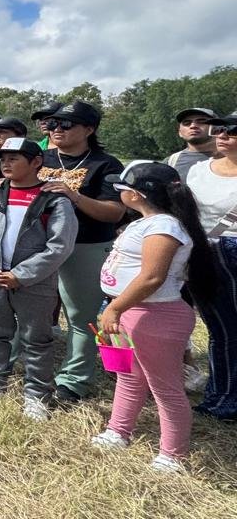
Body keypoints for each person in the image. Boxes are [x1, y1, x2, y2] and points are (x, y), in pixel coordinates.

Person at [91, 162, 217, 473]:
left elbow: (152, 278)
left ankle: (172, 454)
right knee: (130, 378)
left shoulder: (164, 227)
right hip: (128, 312)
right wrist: (116, 308)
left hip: (153, 316)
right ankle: (118, 431)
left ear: (135, 194)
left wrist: (116, 307)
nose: (118, 192)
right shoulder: (146, 222)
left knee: (165, 387)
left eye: (121, 188)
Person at [0, 137, 77, 422]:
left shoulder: (53, 199)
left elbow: (60, 245)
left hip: (34, 282)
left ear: (36, 162)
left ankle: (37, 395)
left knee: (36, 338)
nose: (6, 163)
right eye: (3, 158)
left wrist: (22, 274)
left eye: (14, 158)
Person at [36, 101, 127, 404]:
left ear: (89, 129)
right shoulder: (41, 157)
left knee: (80, 316)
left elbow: (114, 212)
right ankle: (25, 362)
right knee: (30, 308)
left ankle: (73, 380)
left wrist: (74, 196)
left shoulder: (106, 164)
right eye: (53, 124)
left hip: (86, 246)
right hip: (40, 244)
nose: (56, 129)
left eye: (66, 124)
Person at [188, 111, 237, 419]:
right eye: (219, 127)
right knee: (222, 330)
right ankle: (221, 396)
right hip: (205, 255)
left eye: (233, 130)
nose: (223, 133)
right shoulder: (198, 170)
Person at [166, 107, 218, 181]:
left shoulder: (231, 158)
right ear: (180, 132)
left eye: (201, 122)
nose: (193, 126)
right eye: (187, 123)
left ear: (216, 128)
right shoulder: (171, 161)